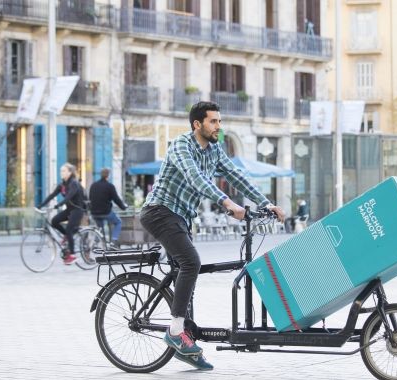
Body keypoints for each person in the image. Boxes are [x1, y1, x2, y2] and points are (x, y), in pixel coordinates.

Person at [139, 101, 285, 370]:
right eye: (214, 122)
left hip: (182, 217)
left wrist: (266, 203)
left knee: (188, 275)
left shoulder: (215, 149)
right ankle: (174, 332)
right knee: (191, 263)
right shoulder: (181, 145)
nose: (219, 126)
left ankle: (186, 340)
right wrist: (227, 203)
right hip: (159, 211)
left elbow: (236, 176)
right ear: (198, 124)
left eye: (219, 121)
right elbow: (196, 179)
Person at [38, 163, 86, 265]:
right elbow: (52, 195)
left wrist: (58, 205)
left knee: (69, 229)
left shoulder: (74, 183)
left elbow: (68, 196)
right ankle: (67, 236)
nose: (61, 173)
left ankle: (72, 255)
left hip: (78, 210)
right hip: (69, 209)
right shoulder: (62, 185)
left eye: (64, 171)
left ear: (70, 172)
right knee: (54, 221)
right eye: (61, 171)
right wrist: (40, 205)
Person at [89, 168, 128, 248]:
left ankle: (96, 242)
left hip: (94, 213)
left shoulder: (93, 185)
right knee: (118, 222)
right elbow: (116, 199)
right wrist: (123, 207)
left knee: (100, 227)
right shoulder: (109, 186)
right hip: (105, 212)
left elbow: (90, 198)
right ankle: (113, 241)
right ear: (108, 175)